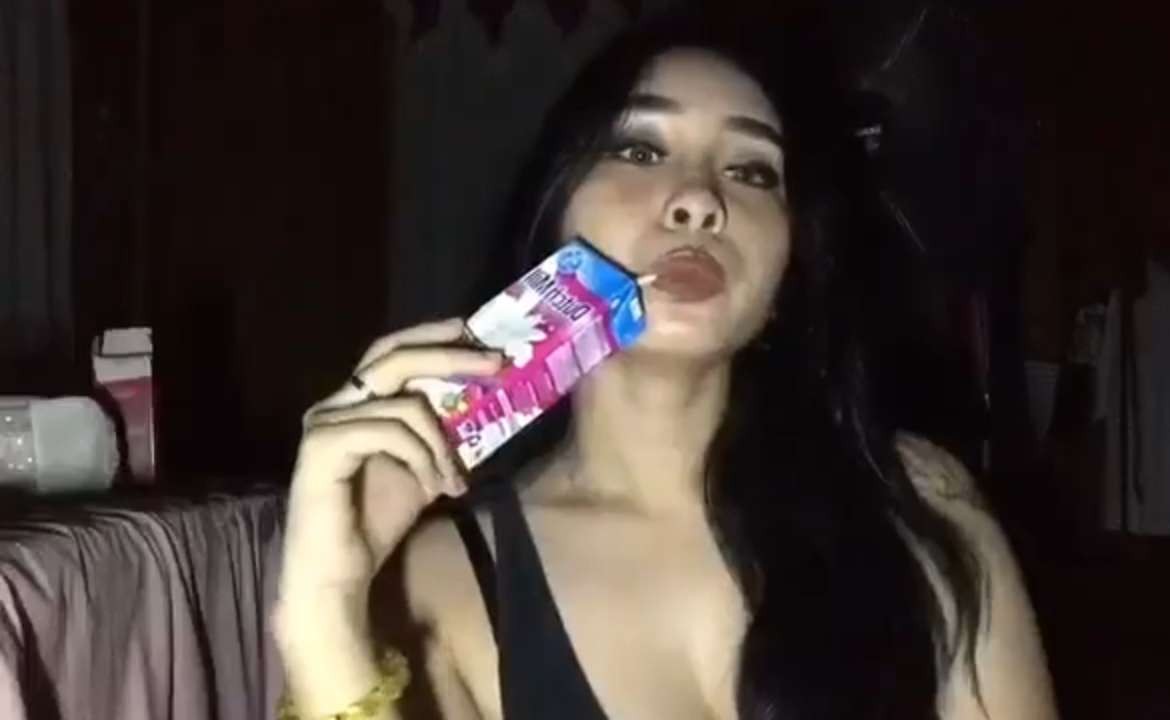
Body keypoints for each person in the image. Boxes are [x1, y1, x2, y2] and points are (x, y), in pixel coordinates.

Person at [272, 8, 1057, 720]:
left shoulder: (920, 503)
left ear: (786, 275)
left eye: (752, 171)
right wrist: (321, 622)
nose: (699, 200)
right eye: (641, 149)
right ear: (555, 220)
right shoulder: (440, 583)